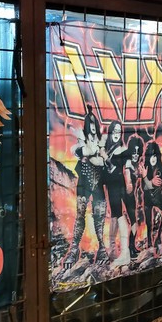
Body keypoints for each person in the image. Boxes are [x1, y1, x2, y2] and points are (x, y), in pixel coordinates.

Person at [63, 105, 108, 269]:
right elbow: (85, 151)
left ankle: (102, 248)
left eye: (94, 123)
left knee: (99, 216)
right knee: (80, 214)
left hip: (99, 183)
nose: (93, 127)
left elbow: (102, 159)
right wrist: (84, 143)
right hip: (84, 183)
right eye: (90, 123)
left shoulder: (101, 141)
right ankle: (74, 249)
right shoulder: (81, 142)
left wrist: (96, 152)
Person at [103, 121, 132, 268]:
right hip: (111, 186)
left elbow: (126, 167)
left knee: (119, 216)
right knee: (115, 216)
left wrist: (129, 182)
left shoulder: (122, 149)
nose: (116, 133)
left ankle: (125, 253)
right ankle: (113, 249)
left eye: (119, 131)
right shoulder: (108, 148)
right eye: (114, 130)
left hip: (118, 185)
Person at [140, 140, 162, 255]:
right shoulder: (145, 167)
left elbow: (154, 185)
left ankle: (158, 237)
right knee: (148, 222)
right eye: (150, 155)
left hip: (157, 197)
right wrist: (147, 181)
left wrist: (146, 179)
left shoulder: (160, 168)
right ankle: (149, 242)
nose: (153, 158)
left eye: (154, 155)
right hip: (147, 199)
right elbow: (143, 187)